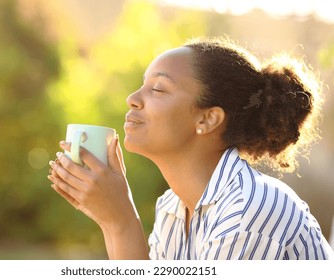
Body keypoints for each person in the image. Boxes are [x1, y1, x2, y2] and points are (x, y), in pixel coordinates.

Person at [47, 36, 333, 260]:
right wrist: (109, 219)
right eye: (141, 86)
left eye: (158, 89)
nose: (132, 98)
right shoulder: (172, 208)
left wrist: (121, 221)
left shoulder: (251, 207)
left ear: (207, 118)